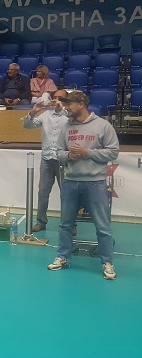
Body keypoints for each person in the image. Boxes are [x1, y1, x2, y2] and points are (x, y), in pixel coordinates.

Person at [47, 91, 119, 280]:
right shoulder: (66, 127)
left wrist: (87, 153)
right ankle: (63, 257)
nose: (66, 107)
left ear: (81, 104)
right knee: (65, 225)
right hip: (70, 182)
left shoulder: (103, 125)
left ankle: (107, 262)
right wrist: (68, 156)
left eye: (69, 104)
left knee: (102, 226)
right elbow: (58, 153)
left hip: (95, 183)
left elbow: (113, 152)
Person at [23, 90, 70, 232]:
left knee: (67, 194)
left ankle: (69, 224)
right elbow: (27, 125)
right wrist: (33, 112)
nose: (56, 100)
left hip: (64, 159)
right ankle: (41, 222)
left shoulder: (69, 115)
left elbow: (76, 122)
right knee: (43, 192)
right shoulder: (45, 115)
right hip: (47, 159)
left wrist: (63, 110)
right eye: (55, 97)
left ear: (66, 101)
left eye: (60, 98)